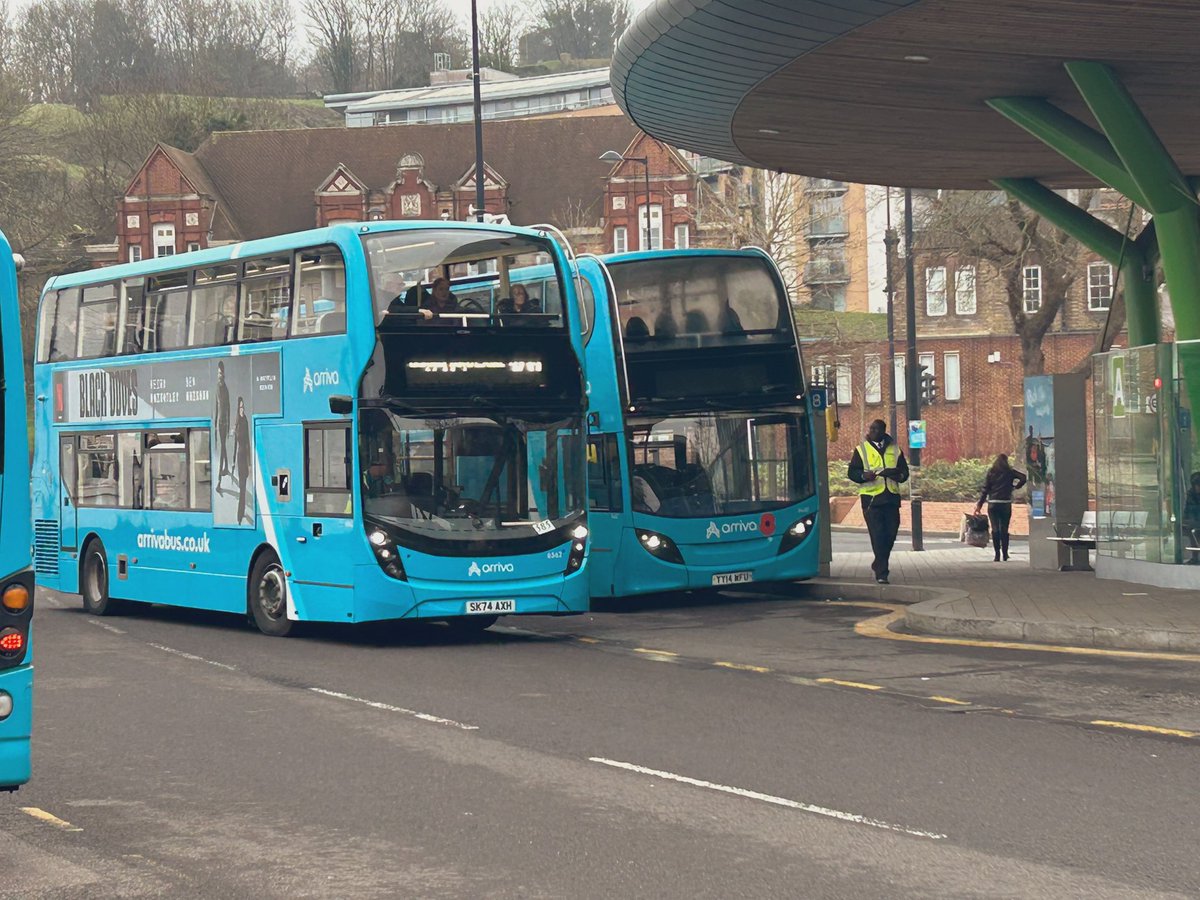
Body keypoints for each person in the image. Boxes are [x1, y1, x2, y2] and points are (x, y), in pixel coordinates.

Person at [847, 419, 910, 584]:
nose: (873, 431)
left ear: (884, 431)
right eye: (871, 428)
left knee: (890, 534)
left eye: (876, 429)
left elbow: (905, 473)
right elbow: (852, 472)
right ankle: (882, 573)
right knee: (878, 535)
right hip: (871, 500)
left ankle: (878, 562)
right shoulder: (861, 450)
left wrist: (898, 475)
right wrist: (863, 476)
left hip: (891, 499)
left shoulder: (895, 450)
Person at [974, 453, 1028, 562]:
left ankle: (996, 555)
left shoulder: (991, 472)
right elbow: (1023, 477)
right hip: (1005, 503)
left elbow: (985, 489)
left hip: (993, 503)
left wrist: (979, 505)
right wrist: (1015, 487)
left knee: (995, 529)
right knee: (1004, 529)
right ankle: (1005, 553)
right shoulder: (1010, 472)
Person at [232, 397, 251, 524]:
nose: (242, 409)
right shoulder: (237, 424)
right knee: (242, 486)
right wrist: (233, 461)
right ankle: (240, 514)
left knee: (243, 485)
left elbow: (248, 443)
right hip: (239, 456)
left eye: (243, 407)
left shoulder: (246, 422)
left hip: (244, 456)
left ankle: (241, 512)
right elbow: (235, 444)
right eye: (240, 407)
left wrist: (249, 463)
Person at [214, 361, 231, 490]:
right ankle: (226, 467)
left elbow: (228, 408)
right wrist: (214, 424)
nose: (219, 374)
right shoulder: (217, 388)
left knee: (223, 447)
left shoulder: (225, 389)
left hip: (224, 422)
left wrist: (229, 423)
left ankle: (219, 481)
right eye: (218, 372)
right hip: (219, 422)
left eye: (220, 372)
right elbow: (216, 406)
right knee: (223, 446)